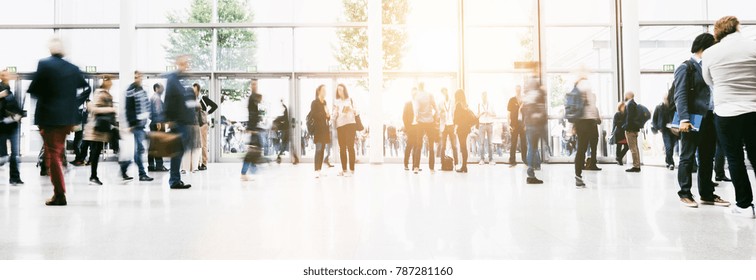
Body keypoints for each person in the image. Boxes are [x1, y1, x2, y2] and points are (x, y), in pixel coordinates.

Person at [702, 16, 756, 217]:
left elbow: (708, 80)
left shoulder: (710, 52)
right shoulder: (752, 47)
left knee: (734, 158)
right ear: (737, 27)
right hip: (753, 108)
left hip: (726, 112)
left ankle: (744, 205)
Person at [27, 37, 92, 205]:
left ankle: (60, 194)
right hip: (67, 119)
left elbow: (34, 90)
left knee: (53, 153)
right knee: (55, 151)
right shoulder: (72, 68)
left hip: (49, 118)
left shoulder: (44, 64)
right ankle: (58, 179)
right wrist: (73, 103)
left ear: (51, 49)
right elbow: (85, 87)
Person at [673, 32, 730, 208]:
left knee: (707, 157)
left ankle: (706, 194)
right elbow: (680, 95)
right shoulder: (686, 67)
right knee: (687, 157)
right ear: (703, 48)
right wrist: (684, 119)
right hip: (693, 119)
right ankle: (685, 193)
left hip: (711, 118)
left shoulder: (710, 68)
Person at [163, 55, 195, 189]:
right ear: (178, 64)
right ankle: (174, 180)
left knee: (180, 150)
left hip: (183, 122)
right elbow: (169, 101)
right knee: (178, 151)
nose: (186, 65)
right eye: (184, 63)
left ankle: (175, 179)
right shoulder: (173, 79)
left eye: (187, 63)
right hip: (178, 122)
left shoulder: (180, 80)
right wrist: (169, 120)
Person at [82, 75, 119, 185]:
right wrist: (112, 109)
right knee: (95, 152)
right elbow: (95, 109)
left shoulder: (106, 93)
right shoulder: (100, 93)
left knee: (97, 152)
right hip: (96, 128)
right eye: (110, 81)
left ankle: (94, 176)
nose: (112, 83)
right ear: (105, 82)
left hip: (102, 128)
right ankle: (93, 177)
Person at [123, 71, 154, 182]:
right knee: (140, 149)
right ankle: (142, 173)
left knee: (139, 149)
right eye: (136, 77)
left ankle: (124, 166)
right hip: (136, 125)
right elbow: (128, 108)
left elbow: (146, 106)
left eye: (140, 76)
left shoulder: (142, 90)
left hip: (143, 124)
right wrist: (131, 123)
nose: (139, 78)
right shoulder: (131, 90)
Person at [571, 77, 601, 188]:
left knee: (582, 149)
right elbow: (585, 108)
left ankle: (578, 175)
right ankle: (578, 176)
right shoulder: (582, 90)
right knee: (581, 150)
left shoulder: (578, 91)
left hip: (585, 123)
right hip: (585, 123)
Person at [0, 69, 24, 185]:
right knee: (3, 156)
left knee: (15, 154)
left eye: (7, 74)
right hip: (2, 126)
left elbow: (14, 107)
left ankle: (15, 178)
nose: (7, 75)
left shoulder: (11, 90)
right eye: (4, 74)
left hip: (13, 125)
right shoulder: (2, 89)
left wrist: (18, 115)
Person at [520, 79, 547, 184]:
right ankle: (532, 170)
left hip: (529, 125)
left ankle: (531, 171)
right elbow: (541, 110)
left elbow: (523, 111)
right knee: (534, 148)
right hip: (536, 126)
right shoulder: (537, 95)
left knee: (531, 148)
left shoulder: (527, 97)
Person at [412, 82, 438, 174]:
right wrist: (434, 117)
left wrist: (417, 118)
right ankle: (431, 168)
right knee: (431, 146)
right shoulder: (430, 95)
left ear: (419, 87)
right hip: (430, 122)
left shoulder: (417, 96)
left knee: (419, 145)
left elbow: (416, 110)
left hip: (421, 123)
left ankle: (416, 167)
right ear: (424, 86)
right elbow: (436, 108)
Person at [332, 84, 358, 177]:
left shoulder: (350, 99)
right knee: (342, 148)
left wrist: (350, 109)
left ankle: (351, 170)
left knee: (350, 147)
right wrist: (332, 117)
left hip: (351, 124)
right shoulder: (336, 101)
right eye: (338, 90)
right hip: (340, 125)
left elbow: (356, 112)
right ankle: (344, 170)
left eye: (342, 90)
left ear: (345, 90)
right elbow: (335, 113)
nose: (340, 92)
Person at [241, 83, 263, 181]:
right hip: (253, 129)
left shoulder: (253, 100)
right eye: (254, 85)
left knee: (255, 149)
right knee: (253, 151)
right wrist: (252, 129)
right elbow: (252, 115)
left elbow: (253, 115)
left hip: (254, 128)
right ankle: (245, 172)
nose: (255, 87)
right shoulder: (252, 98)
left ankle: (251, 170)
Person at [181, 83, 203, 173]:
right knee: (196, 148)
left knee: (186, 148)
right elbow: (200, 115)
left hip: (186, 126)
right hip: (195, 126)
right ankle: (194, 168)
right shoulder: (197, 103)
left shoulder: (183, 103)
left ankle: (185, 168)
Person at [651, 95, 678, 170]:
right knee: (668, 146)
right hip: (665, 130)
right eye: (665, 99)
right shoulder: (659, 107)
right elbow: (654, 119)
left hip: (674, 129)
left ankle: (667, 161)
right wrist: (658, 128)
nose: (667, 100)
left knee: (671, 146)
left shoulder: (674, 107)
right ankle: (671, 163)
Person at [310, 85, 330, 178]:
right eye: (323, 90)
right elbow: (314, 115)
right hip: (318, 129)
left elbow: (327, 116)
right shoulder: (315, 103)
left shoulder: (325, 102)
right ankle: (315, 170)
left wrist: (328, 115)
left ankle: (319, 170)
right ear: (318, 91)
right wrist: (324, 114)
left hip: (325, 129)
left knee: (322, 150)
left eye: (325, 90)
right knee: (318, 149)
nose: (325, 92)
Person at [148, 83, 168, 172]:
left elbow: (150, 114)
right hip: (158, 124)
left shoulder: (152, 98)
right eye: (161, 88)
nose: (162, 90)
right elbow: (157, 111)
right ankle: (159, 165)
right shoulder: (156, 98)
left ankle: (151, 165)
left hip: (153, 123)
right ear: (156, 88)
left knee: (153, 145)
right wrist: (159, 122)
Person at [453, 89, 475, 173]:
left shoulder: (458, 105)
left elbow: (457, 118)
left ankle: (464, 167)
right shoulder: (465, 105)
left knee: (463, 147)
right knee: (464, 147)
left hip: (460, 129)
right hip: (466, 129)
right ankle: (464, 166)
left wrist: (455, 128)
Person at [197, 84, 217, 171]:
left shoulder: (203, 99)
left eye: (196, 90)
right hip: (194, 125)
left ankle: (204, 163)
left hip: (203, 124)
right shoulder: (192, 100)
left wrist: (207, 113)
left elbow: (215, 106)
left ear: (198, 90)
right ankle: (197, 163)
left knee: (203, 144)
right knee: (196, 145)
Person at [437, 88, 458, 168]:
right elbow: (438, 115)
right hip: (444, 126)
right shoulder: (440, 103)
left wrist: (456, 125)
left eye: (445, 91)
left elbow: (455, 113)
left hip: (452, 125)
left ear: (447, 92)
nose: (444, 93)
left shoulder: (453, 102)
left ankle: (456, 164)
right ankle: (442, 164)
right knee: (443, 146)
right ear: (442, 93)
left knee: (454, 146)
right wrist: (441, 113)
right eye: (443, 92)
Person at [507, 86, 527, 166]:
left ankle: (525, 159)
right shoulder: (512, 100)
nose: (518, 91)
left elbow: (527, 114)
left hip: (522, 124)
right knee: (513, 143)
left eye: (519, 90)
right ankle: (512, 161)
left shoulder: (524, 100)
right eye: (517, 90)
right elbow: (508, 114)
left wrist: (526, 124)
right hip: (514, 124)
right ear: (515, 90)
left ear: (521, 90)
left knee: (524, 143)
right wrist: (508, 124)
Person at [623, 91, 642, 173]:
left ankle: (636, 166)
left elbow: (629, 118)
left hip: (630, 129)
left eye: (625, 94)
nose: (624, 95)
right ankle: (637, 165)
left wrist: (626, 127)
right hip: (635, 129)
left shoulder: (630, 104)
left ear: (629, 95)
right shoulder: (634, 104)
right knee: (635, 148)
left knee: (633, 148)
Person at [477, 91, 495, 165]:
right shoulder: (479, 105)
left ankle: (491, 160)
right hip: (481, 125)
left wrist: (489, 113)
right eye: (483, 96)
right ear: (481, 97)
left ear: (487, 96)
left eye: (485, 96)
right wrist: (481, 113)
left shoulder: (490, 104)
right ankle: (482, 159)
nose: (484, 97)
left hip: (489, 124)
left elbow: (494, 114)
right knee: (481, 143)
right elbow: (477, 116)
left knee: (490, 143)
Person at [402, 88, 417, 171]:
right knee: (409, 146)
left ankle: (415, 165)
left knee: (417, 147)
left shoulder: (419, 104)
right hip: (410, 127)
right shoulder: (408, 103)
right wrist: (408, 128)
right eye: (413, 92)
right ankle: (406, 164)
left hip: (418, 128)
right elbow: (404, 117)